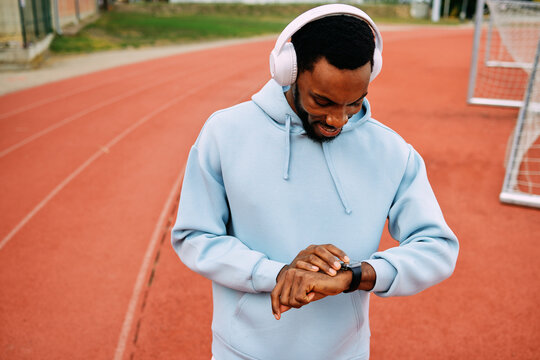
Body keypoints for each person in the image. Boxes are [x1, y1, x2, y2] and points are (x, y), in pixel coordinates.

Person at [171, 4, 459, 360]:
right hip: (241, 352)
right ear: (288, 70)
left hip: (344, 353)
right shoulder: (225, 133)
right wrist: (275, 274)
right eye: (322, 101)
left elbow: (437, 247)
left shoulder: (391, 151)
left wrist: (355, 276)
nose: (337, 119)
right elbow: (194, 236)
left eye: (354, 102)